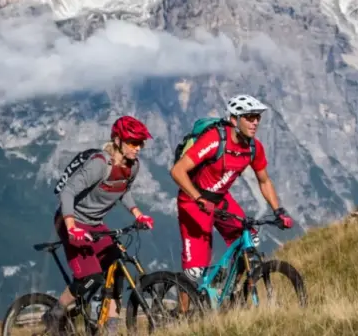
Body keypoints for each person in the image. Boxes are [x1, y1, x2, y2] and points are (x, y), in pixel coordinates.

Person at [43, 115, 155, 336]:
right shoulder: (100, 164)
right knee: (89, 277)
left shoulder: (133, 167)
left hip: (95, 225)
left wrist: (138, 214)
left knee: (117, 270)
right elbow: (68, 192)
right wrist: (71, 226)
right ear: (117, 140)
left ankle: (110, 329)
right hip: (71, 221)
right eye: (133, 142)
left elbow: (124, 190)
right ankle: (55, 313)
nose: (138, 148)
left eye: (141, 143)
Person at [169, 94, 294, 288]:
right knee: (194, 271)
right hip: (194, 199)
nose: (255, 122)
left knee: (249, 239)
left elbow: (264, 181)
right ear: (234, 119)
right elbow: (177, 171)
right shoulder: (215, 140)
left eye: (257, 117)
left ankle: (231, 292)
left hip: (220, 198)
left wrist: (278, 211)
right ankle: (183, 315)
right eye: (249, 117)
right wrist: (199, 198)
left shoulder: (254, 147)